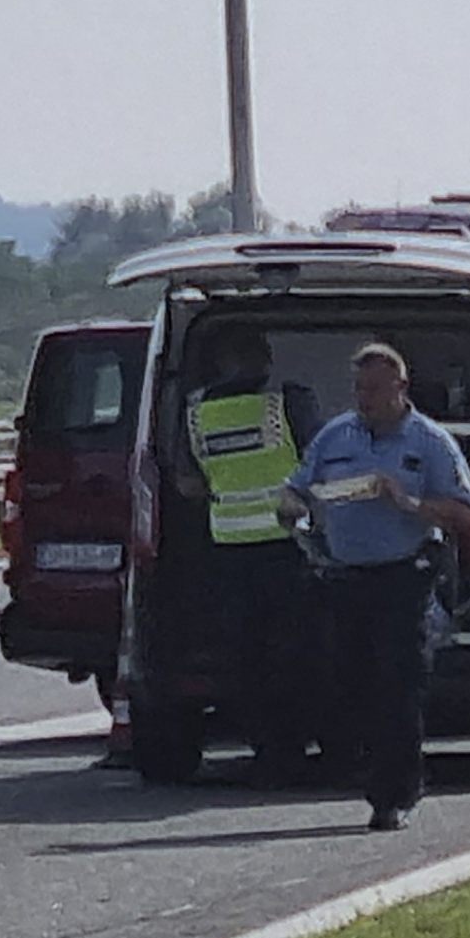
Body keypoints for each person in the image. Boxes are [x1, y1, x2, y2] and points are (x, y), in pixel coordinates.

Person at [282, 342, 470, 832]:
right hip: (344, 576)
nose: (364, 398)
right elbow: (298, 486)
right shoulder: (336, 436)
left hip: (403, 576)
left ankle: (394, 794)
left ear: (400, 388)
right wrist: (291, 508)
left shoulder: (430, 442)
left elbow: (466, 514)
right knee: (350, 683)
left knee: (398, 686)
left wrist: (408, 502)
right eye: (359, 389)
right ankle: (359, 767)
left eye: (374, 389)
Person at [175, 324, 320, 784]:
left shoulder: (197, 413)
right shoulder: (286, 403)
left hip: (229, 549)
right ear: (263, 360)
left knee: (246, 659)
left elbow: (188, 483)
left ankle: (266, 748)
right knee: (295, 653)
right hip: (286, 546)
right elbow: (323, 462)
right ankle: (295, 746)